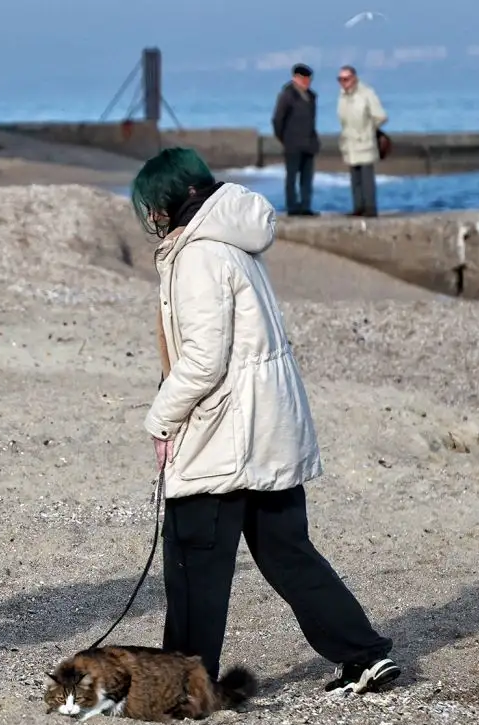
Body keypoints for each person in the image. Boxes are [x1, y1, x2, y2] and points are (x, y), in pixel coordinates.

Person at [129, 146, 401, 695]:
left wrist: (160, 419)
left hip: (224, 433)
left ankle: (185, 685)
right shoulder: (234, 243)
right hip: (268, 426)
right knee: (286, 551)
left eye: (155, 208)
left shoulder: (200, 254)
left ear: (176, 201)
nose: (153, 219)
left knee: (193, 561)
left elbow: (205, 359)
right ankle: (363, 654)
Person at [336, 65, 388, 217]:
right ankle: (358, 207)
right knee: (355, 178)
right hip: (349, 142)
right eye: (340, 79)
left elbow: (380, 116)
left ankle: (370, 208)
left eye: (346, 79)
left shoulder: (366, 94)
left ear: (354, 79)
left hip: (365, 142)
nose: (343, 82)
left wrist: (368, 129)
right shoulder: (342, 97)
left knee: (367, 177)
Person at [271, 64, 320, 216]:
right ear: (296, 78)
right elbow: (277, 120)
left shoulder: (311, 96)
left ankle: (305, 206)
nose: (307, 82)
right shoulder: (287, 95)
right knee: (291, 177)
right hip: (292, 143)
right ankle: (292, 206)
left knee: (307, 178)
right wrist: (285, 138)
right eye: (304, 79)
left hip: (309, 143)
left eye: (308, 79)